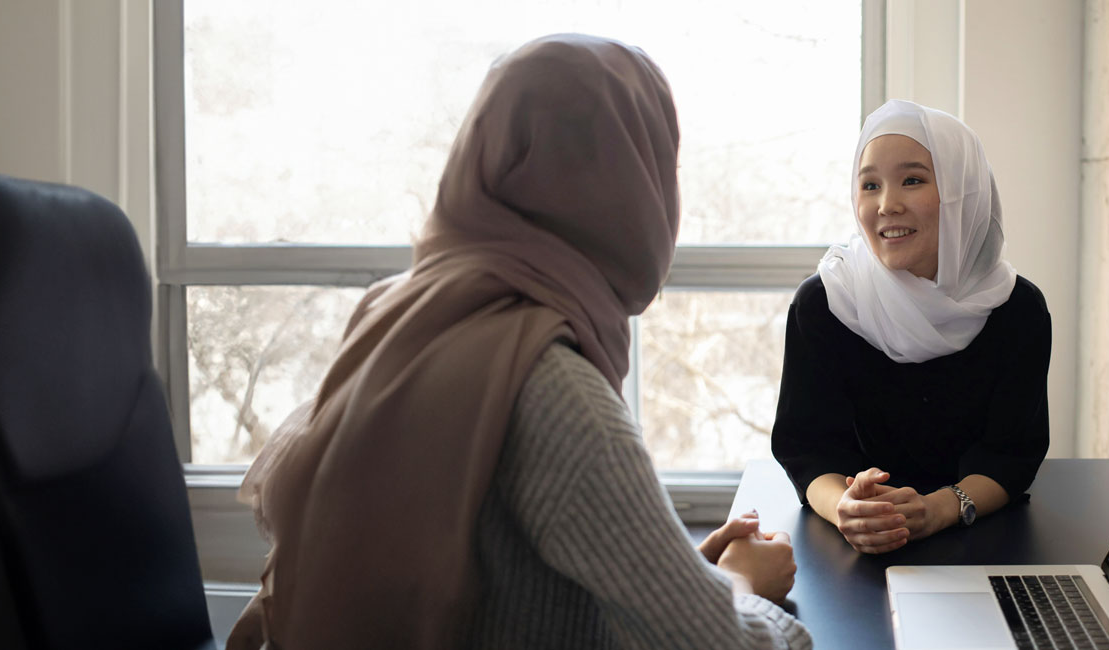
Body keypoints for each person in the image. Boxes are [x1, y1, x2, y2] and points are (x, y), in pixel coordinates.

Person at [227, 34, 809, 649]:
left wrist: (678, 576)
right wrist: (740, 585)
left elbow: (501, 590)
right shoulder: (553, 390)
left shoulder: (396, 310)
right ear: (627, 187)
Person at [771, 100, 1051, 555]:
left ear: (963, 192)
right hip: (848, 550)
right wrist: (847, 509)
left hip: (977, 539)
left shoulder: (1017, 309)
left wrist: (939, 508)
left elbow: (1011, 454)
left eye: (913, 180)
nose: (887, 205)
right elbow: (807, 448)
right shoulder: (825, 302)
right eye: (870, 185)